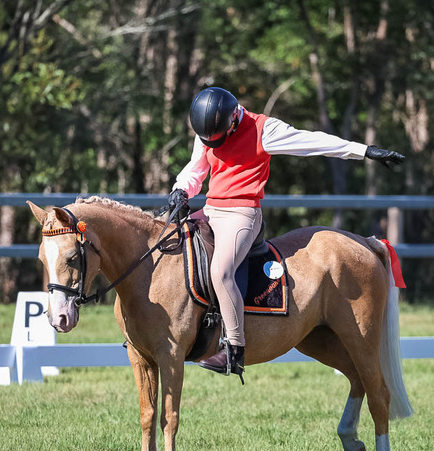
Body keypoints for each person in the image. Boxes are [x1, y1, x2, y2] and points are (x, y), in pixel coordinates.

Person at [167, 87, 405, 381]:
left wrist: (364, 151)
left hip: (242, 213)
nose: (209, 143)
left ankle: (234, 349)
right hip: (212, 208)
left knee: (221, 272)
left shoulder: (264, 130)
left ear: (232, 120)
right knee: (168, 244)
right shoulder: (208, 129)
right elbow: (196, 169)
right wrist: (181, 190)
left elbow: (313, 141)